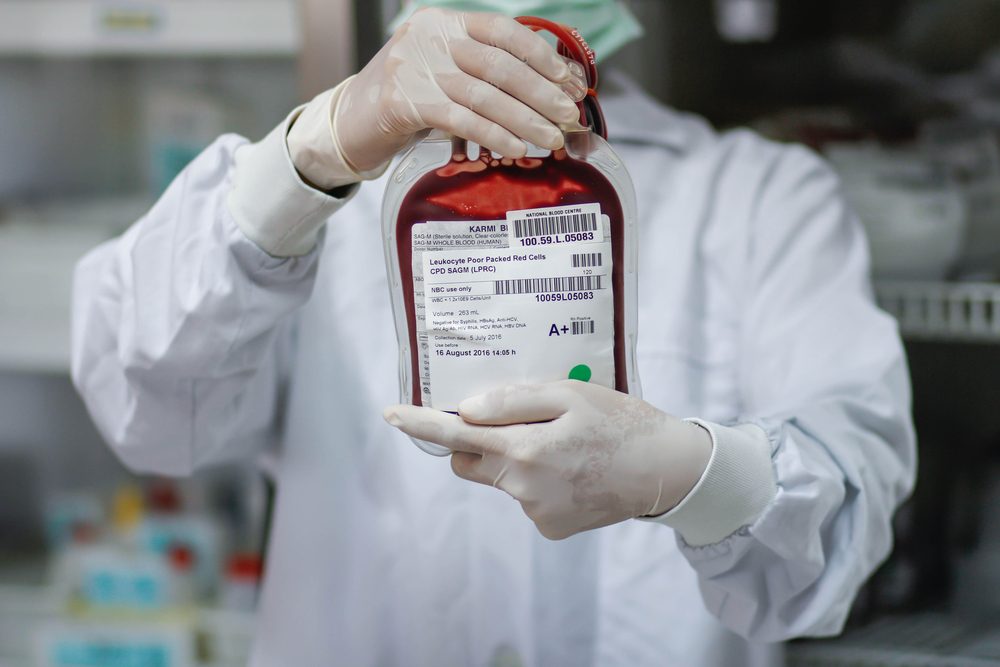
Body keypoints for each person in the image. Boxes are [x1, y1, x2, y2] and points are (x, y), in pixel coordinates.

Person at [71, 1, 917, 665]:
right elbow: (145, 404)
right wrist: (315, 151)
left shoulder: (760, 199)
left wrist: (688, 474)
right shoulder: (332, 193)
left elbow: (839, 534)